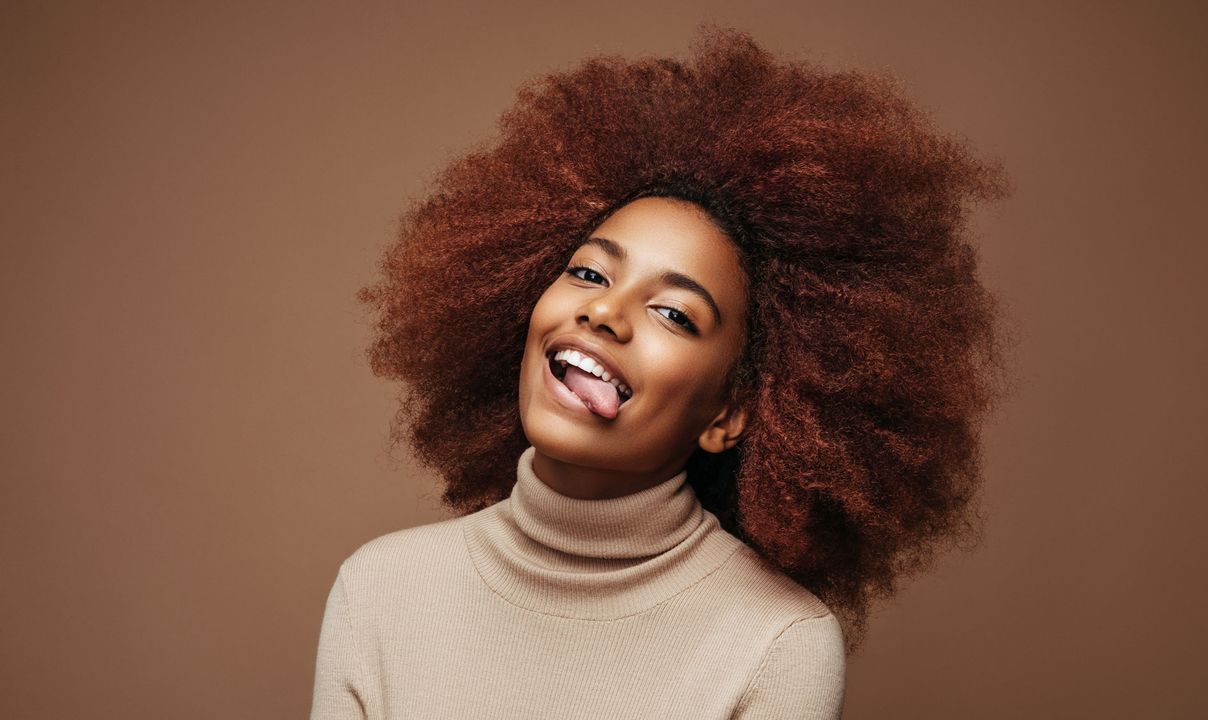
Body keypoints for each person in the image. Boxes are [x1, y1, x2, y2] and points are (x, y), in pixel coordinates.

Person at [310, 24, 1010, 720]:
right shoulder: (380, 592)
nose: (606, 313)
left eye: (674, 314)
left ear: (729, 413)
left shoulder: (776, 644)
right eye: (588, 272)